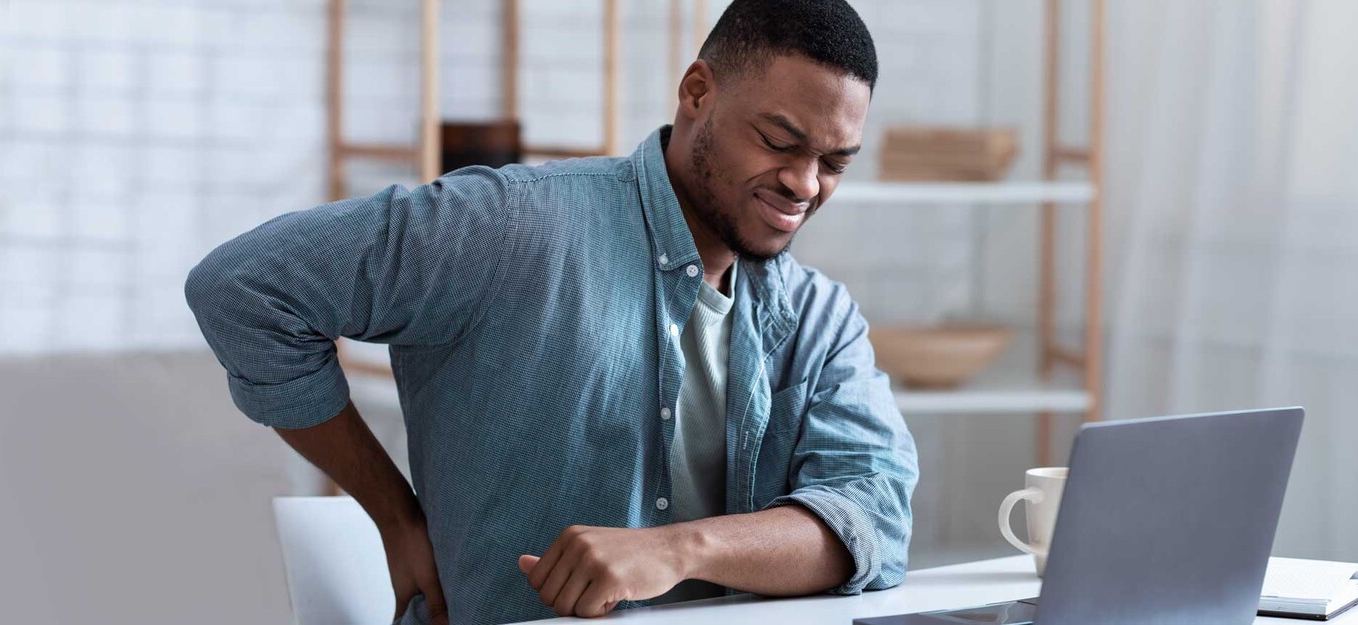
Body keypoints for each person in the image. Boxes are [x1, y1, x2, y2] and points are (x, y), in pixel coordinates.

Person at [185, 0, 917, 623]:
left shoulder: (821, 320)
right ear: (698, 91)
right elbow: (244, 288)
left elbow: (872, 514)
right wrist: (395, 513)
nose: (804, 184)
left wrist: (675, 547)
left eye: (835, 162)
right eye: (780, 142)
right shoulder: (514, 226)